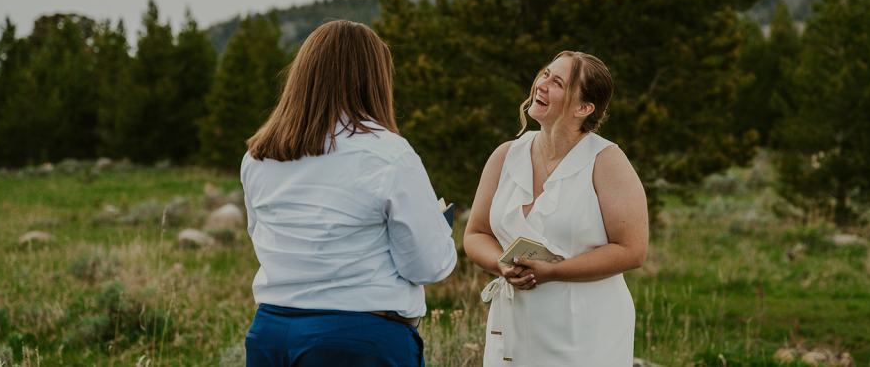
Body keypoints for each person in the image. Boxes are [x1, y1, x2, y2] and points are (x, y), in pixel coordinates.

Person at [241, 20, 457, 367]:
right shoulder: (389, 154)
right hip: (357, 338)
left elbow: (260, 236)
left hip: (272, 333)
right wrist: (440, 231)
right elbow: (426, 265)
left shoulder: (260, 155)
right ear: (374, 79)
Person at [463, 51, 648, 366]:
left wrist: (553, 272)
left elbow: (632, 249)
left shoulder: (606, 160)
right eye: (545, 74)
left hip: (583, 333)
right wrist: (501, 264)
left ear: (584, 107)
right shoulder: (506, 155)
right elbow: (476, 233)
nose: (542, 84)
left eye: (558, 82)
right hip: (512, 325)